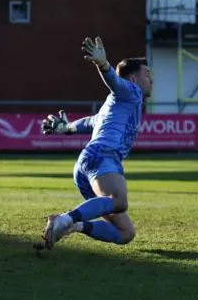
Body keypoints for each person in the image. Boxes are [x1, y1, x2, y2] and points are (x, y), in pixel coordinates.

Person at [40, 37, 153, 249]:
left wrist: (66, 128)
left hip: (86, 165)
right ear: (133, 79)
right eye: (147, 74)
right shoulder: (131, 91)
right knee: (119, 201)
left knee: (126, 233)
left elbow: (89, 122)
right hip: (103, 157)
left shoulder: (114, 107)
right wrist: (103, 65)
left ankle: (73, 226)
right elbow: (115, 81)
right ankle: (65, 220)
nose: (151, 79)